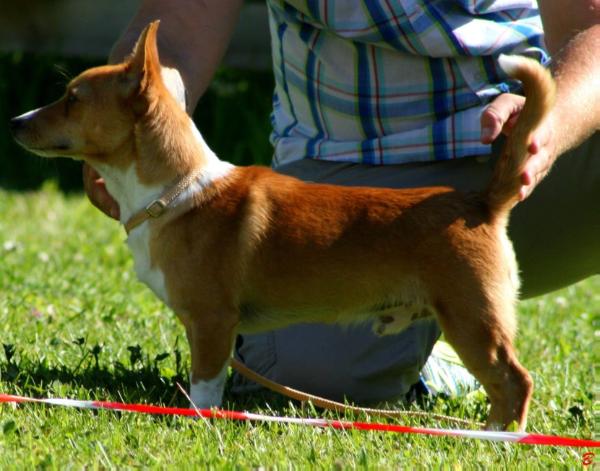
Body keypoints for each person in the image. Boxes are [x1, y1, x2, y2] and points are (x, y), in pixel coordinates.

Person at [84, 0, 599, 403]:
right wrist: (141, 122)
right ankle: (433, 345)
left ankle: (454, 323)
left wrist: (547, 126)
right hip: (343, 173)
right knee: (316, 375)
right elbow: (176, 26)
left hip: (524, 140)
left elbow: (592, 27)